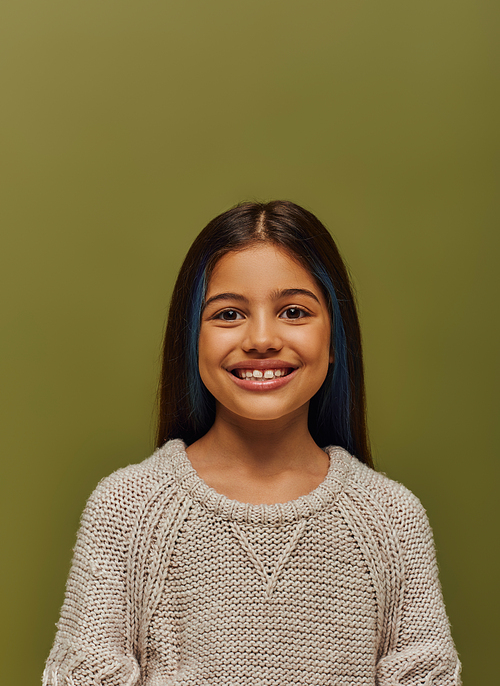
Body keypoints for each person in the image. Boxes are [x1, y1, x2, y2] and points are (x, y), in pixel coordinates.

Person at [43, 200, 461, 685]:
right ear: (192, 340)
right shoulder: (126, 510)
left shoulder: (392, 519)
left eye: (294, 311)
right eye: (228, 314)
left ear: (334, 342)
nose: (261, 338)